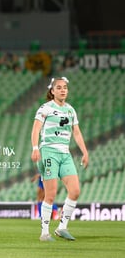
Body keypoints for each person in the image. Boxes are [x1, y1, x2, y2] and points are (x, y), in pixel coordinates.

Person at [31, 76, 89, 242]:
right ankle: (44, 233)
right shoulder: (45, 108)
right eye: (59, 87)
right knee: (50, 194)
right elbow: (36, 129)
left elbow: (76, 133)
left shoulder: (70, 110)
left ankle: (62, 227)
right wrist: (35, 148)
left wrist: (85, 152)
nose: (63, 90)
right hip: (48, 151)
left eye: (65, 87)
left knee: (75, 191)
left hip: (65, 154)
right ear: (52, 90)